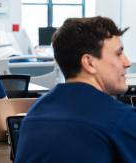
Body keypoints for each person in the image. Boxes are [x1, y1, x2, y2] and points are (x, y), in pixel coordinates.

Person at [15, 16, 136, 163]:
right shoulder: (120, 120)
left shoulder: (33, 115)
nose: (127, 62)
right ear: (89, 63)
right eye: (118, 54)